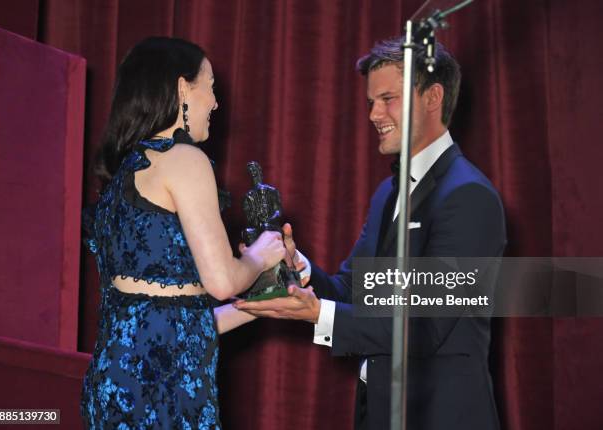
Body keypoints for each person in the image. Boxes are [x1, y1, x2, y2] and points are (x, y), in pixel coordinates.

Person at [236, 37, 506, 430]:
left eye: (388, 98)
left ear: (433, 98)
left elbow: (425, 325)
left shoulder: (469, 196)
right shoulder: (388, 192)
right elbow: (355, 290)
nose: (374, 113)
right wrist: (299, 272)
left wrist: (318, 314)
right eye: (371, 102)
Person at [80, 37, 287, 429]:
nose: (215, 102)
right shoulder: (184, 159)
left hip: (118, 379)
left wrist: (268, 299)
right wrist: (260, 255)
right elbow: (223, 281)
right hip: (165, 388)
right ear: (181, 89)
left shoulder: (125, 173)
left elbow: (172, 319)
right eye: (210, 86)